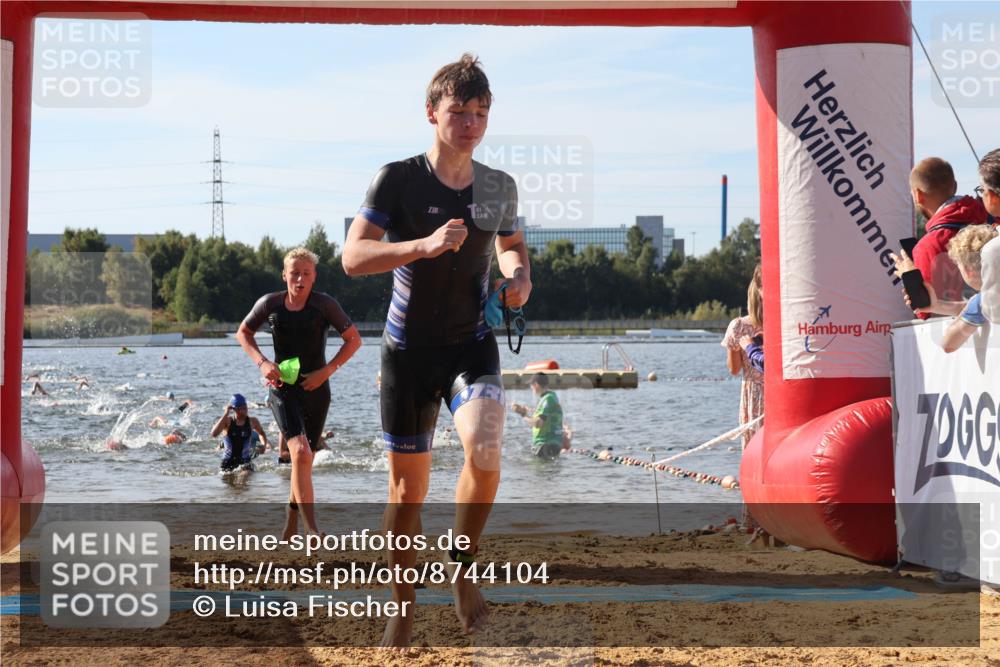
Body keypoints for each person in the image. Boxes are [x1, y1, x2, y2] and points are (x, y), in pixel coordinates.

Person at [341, 53, 529, 648]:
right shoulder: (396, 179)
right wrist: (420, 246)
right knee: (406, 495)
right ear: (432, 113)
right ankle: (402, 603)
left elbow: (513, 246)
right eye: (459, 112)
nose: (471, 123)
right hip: (407, 354)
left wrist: (518, 275)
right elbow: (352, 257)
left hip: (471, 345)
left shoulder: (498, 186)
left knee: (487, 447)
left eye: (481, 113)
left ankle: (462, 570)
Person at [237, 247, 361, 538]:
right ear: (285, 275)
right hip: (282, 389)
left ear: (314, 277)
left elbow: (353, 340)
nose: (300, 278)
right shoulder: (270, 304)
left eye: (306, 273)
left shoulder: (325, 305)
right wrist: (263, 362)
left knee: (304, 460)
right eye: (294, 273)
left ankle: (291, 521)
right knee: (301, 453)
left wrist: (326, 371)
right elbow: (244, 332)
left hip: (317, 389)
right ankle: (313, 529)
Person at [894, 157, 989, 319]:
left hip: (964, 338)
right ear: (955, 186)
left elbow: (925, 312)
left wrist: (910, 278)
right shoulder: (992, 219)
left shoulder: (927, 246)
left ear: (918, 195)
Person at [895, 225, 997, 352]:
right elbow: (974, 308)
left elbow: (948, 344)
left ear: (968, 270)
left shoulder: (984, 300)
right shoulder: (985, 300)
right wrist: (937, 305)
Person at [722, 264, 764, 450]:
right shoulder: (783, 322)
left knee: (753, 450)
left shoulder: (738, 326)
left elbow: (734, 369)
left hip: (754, 395)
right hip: (781, 391)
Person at [512, 373, 566, 460]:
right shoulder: (550, 397)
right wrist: (525, 410)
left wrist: (522, 415)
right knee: (550, 471)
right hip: (550, 445)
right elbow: (544, 416)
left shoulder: (548, 399)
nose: (531, 388)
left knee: (538, 472)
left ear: (536, 384)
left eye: (531, 385)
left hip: (545, 445)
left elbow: (538, 423)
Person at [211, 393, 271, 472]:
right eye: (241, 408)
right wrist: (225, 414)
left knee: (245, 477)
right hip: (228, 462)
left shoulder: (252, 421)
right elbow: (214, 434)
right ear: (235, 409)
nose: (245, 411)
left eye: (245, 408)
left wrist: (263, 445)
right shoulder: (228, 422)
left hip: (245, 461)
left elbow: (261, 433)